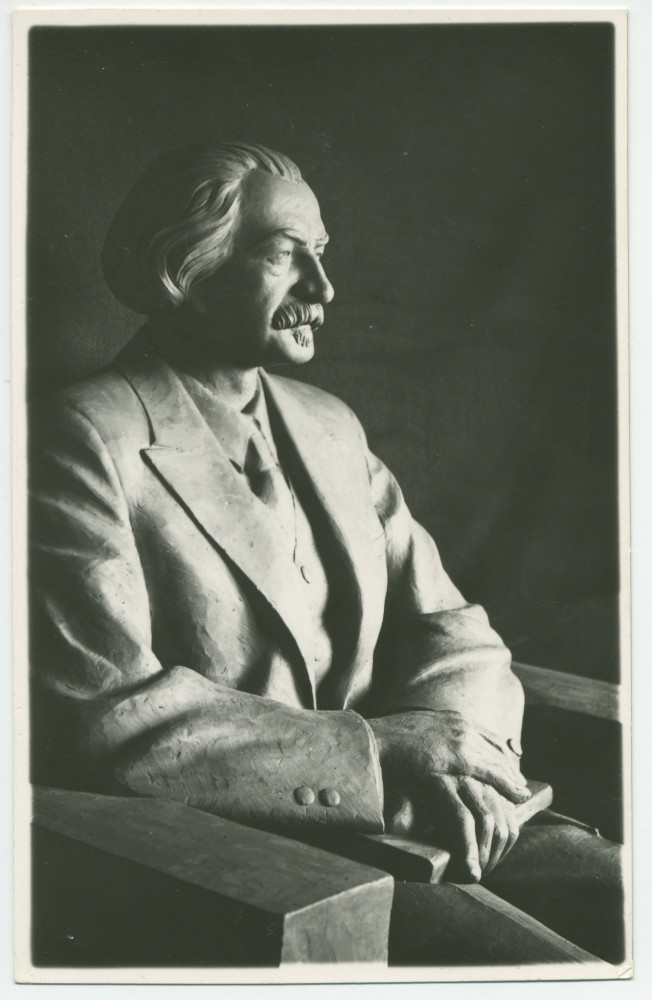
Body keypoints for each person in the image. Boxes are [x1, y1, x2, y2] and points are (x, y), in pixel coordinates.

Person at [29, 142, 623, 961]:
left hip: (442, 812)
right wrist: (378, 752)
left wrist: (455, 748)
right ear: (185, 268)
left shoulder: (329, 425)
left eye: (322, 253)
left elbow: (452, 627)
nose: (322, 288)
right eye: (284, 255)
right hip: (268, 862)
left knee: (624, 890)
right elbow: (105, 714)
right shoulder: (82, 438)